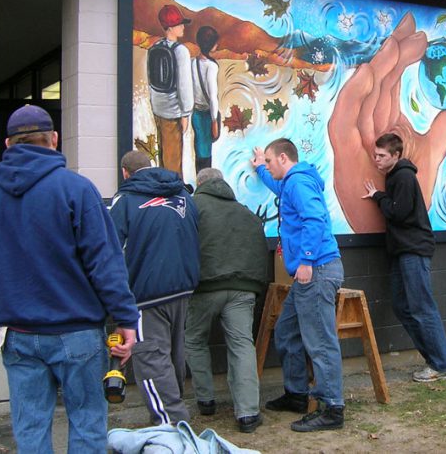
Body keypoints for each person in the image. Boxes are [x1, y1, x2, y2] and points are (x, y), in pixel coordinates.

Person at [0, 105, 139, 453]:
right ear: (54, 140)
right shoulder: (77, 190)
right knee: (88, 424)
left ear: (8, 144)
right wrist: (125, 318)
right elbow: (105, 263)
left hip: (17, 334)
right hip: (77, 332)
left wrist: (9, 300)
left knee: (30, 429)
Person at [251, 138, 346, 432]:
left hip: (315, 270)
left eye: (268, 161)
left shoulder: (299, 182)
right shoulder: (291, 182)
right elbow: (280, 188)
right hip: (312, 271)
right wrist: (260, 171)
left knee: (319, 341)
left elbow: (315, 219)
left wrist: (305, 259)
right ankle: (297, 394)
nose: (266, 165)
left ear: (282, 158)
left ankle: (332, 408)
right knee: (286, 330)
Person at [109, 150, 199, 425]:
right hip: (183, 286)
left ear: (125, 172)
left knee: (151, 358)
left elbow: (111, 250)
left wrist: (115, 299)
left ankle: (171, 423)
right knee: (173, 355)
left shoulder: (124, 200)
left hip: (146, 293)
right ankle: (170, 414)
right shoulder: (183, 195)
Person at [362, 133, 446, 382]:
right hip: (402, 251)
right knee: (403, 306)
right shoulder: (395, 176)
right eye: (376, 154)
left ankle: (444, 365)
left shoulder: (403, 176)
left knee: (422, 308)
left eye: (382, 156)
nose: (377, 159)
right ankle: (436, 361)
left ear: (396, 155)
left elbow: (399, 213)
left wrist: (379, 197)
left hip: (413, 250)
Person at [185, 168, 267, 433]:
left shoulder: (192, 206)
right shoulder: (245, 211)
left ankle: (206, 401)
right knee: (242, 345)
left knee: (194, 339)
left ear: (200, 184)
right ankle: (248, 414)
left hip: (205, 286)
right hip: (244, 287)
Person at [148, 4, 193, 175]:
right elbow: (184, 85)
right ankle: (173, 191)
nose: (183, 27)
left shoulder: (154, 47)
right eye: (179, 24)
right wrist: (186, 112)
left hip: (158, 109)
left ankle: (164, 184)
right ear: (170, 27)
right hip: (174, 111)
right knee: (173, 159)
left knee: (163, 154)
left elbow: (151, 80)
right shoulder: (180, 51)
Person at [191, 26, 222, 172]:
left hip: (195, 113)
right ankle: (205, 179)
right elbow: (212, 96)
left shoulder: (192, 63)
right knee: (206, 152)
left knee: (199, 148)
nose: (217, 45)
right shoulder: (211, 66)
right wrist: (214, 120)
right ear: (209, 44)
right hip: (207, 115)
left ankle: (199, 178)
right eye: (215, 43)